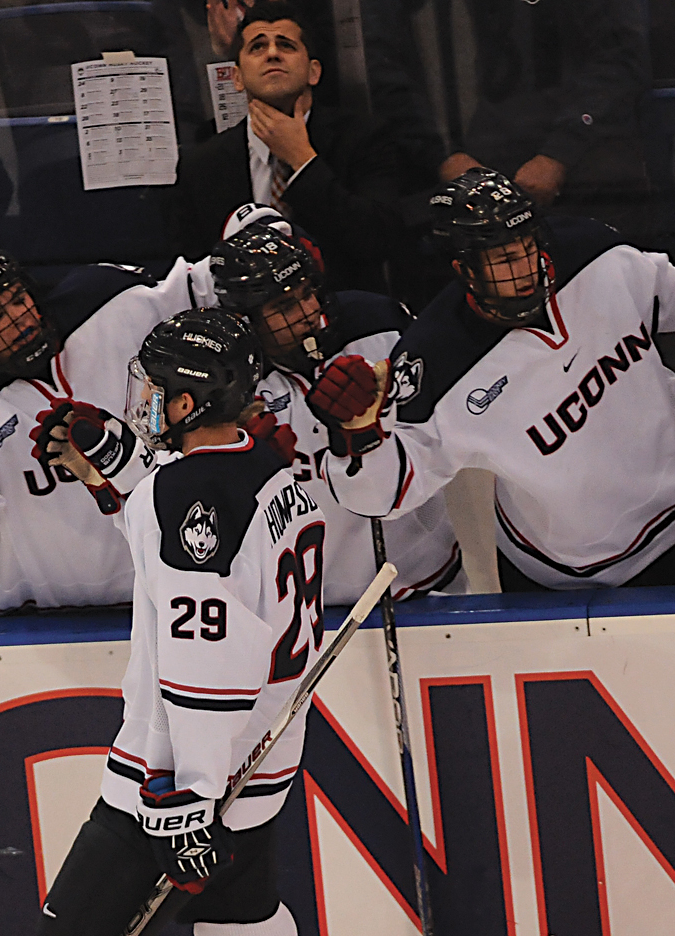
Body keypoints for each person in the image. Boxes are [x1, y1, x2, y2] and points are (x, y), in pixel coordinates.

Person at [26, 309, 377, 936]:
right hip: (258, 774)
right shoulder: (278, 474)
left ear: (186, 398)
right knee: (249, 935)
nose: (143, 402)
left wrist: (181, 797)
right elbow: (191, 540)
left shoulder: (187, 499)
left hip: (181, 779)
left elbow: (205, 655)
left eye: (155, 390)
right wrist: (123, 472)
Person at [310, 169, 675, 591]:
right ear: (466, 268)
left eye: (527, 247)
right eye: (505, 259)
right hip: (575, 573)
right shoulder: (436, 360)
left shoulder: (593, 254)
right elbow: (384, 497)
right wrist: (360, 434)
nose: (526, 268)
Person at [0, 243, 218, 614]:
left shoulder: (109, 303)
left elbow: (214, 284)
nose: (20, 320)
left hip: (173, 598)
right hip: (50, 630)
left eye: (18, 299)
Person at [211, 219, 465, 603]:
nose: (307, 311)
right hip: (300, 608)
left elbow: (442, 435)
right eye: (284, 306)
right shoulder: (226, 383)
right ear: (245, 318)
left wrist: (370, 431)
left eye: (307, 293)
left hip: (424, 580)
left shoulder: (378, 326)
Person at [169, 0, 402, 291]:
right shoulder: (202, 166)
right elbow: (196, 274)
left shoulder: (363, 138)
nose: (272, 53)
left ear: (313, 72)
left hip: (346, 316)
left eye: (286, 45)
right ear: (237, 77)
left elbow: (378, 241)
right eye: (257, 47)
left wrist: (303, 160)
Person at [434, 0, 650, 215]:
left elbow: (622, 62)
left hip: (588, 166)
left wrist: (558, 155)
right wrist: (446, 154)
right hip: (488, 152)